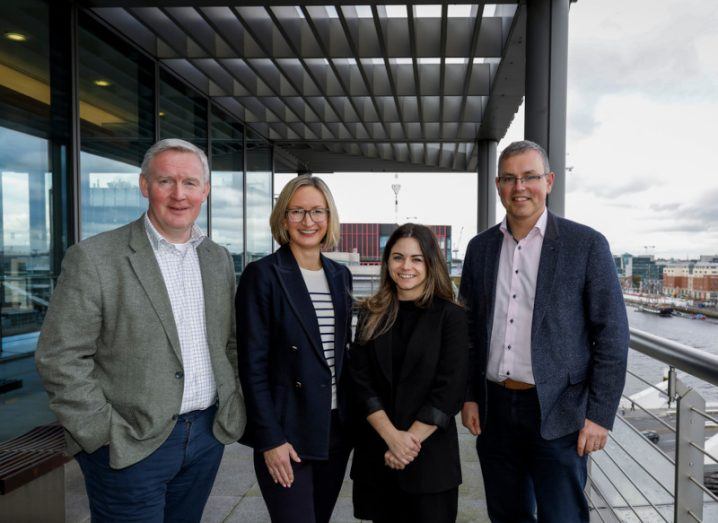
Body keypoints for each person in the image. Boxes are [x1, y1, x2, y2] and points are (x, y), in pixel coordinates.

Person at [35, 138, 246, 522]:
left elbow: (228, 343)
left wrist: (229, 408)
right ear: (145, 186)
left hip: (204, 436)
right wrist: (100, 432)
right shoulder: (96, 258)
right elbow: (60, 356)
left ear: (206, 190)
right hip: (128, 443)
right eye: (166, 181)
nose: (179, 194)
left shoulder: (217, 258)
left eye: (190, 183)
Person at [460, 140, 629, 522]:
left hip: (560, 410)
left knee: (563, 516)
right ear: (498, 186)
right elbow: (468, 330)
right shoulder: (479, 248)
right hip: (494, 407)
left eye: (529, 177)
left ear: (549, 181)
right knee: (507, 514)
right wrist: (469, 396)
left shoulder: (585, 244)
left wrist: (600, 415)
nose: (519, 187)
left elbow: (613, 334)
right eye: (509, 178)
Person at [236, 175, 353, 523]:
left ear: (329, 217)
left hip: (334, 428)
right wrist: (270, 439)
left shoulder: (339, 275)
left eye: (317, 211)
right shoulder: (263, 275)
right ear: (283, 218)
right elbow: (252, 366)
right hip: (288, 431)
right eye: (297, 211)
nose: (308, 221)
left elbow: (342, 355)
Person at [349, 223, 468, 523]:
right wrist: (392, 438)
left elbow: (450, 390)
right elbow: (359, 381)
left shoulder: (451, 317)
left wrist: (405, 444)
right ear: (387, 262)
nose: (406, 266)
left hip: (430, 463)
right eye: (398, 257)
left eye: (417, 259)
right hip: (378, 458)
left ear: (430, 263)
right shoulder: (370, 313)